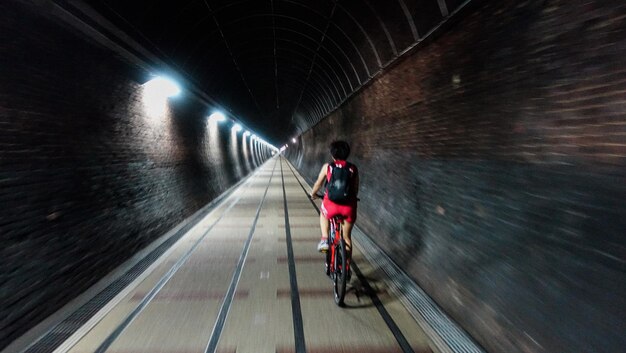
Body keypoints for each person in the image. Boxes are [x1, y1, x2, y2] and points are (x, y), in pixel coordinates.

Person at [310, 140, 359, 254]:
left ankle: (324, 239)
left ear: (332, 154)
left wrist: (313, 194)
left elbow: (318, 183)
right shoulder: (353, 168)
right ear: (347, 153)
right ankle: (345, 268)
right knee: (347, 237)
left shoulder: (328, 167)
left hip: (331, 205)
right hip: (348, 207)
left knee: (323, 213)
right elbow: (355, 188)